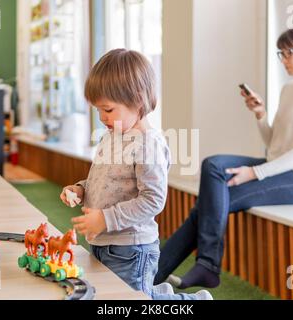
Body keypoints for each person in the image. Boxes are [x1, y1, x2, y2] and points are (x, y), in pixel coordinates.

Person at [154, 24, 293, 290]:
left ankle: (160, 273)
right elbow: (274, 142)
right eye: (281, 53)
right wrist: (261, 114)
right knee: (213, 164)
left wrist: (254, 173)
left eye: (288, 51)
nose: (284, 59)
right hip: (276, 165)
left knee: (206, 206)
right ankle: (201, 267)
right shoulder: (290, 88)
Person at [60, 49, 212, 300]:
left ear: (137, 101)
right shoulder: (111, 137)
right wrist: (80, 189)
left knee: (127, 302)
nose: (101, 118)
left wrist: (106, 219)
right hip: (102, 242)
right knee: (109, 297)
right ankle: (153, 292)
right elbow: (103, 181)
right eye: (98, 110)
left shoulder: (147, 145)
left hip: (131, 248)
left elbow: (153, 199)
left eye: (108, 109)